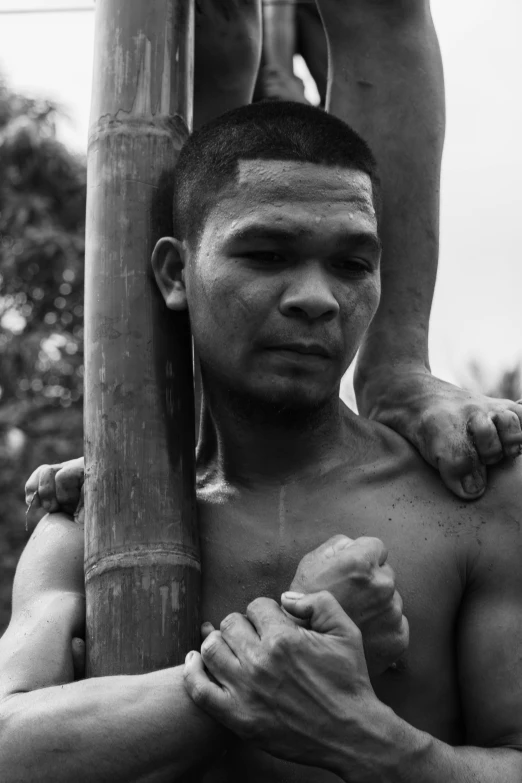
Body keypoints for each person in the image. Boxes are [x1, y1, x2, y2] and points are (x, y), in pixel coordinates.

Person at [6, 98, 522, 782]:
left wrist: (366, 739)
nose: (317, 296)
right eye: (267, 253)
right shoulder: (92, 521)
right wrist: (291, 641)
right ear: (174, 274)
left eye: (351, 263)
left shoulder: (473, 498)